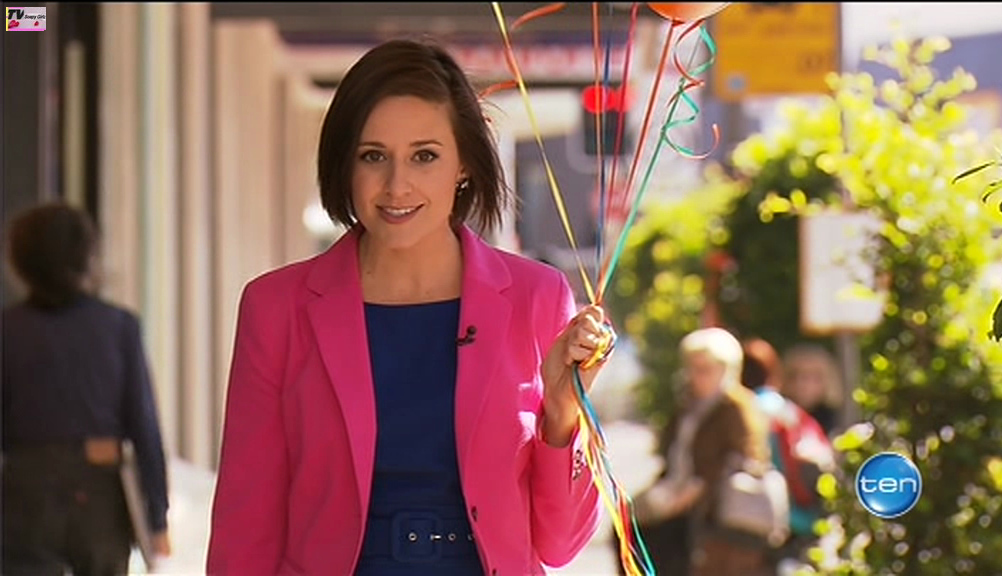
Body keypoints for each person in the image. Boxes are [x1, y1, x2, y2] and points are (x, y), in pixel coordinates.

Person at [206, 39, 608, 576]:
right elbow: (245, 524)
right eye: (373, 156)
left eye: (425, 156)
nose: (397, 186)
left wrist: (562, 414)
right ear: (344, 164)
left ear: (464, 163)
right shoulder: (276, 308)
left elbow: (560, 544)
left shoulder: (536, 297)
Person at [2, 203, 171, 575]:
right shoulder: (119, 326)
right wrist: (157, 517)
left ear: (19, 261)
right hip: (99, 493)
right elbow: (144, 426)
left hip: (23, 492)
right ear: (87, 258)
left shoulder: (8, 330)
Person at [623, 328, 774, 576]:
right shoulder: (688, 405)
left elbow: (745, 457)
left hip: (711, 506)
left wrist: (696, 490)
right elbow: (672, 452)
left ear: (725, 370)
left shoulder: (736, 407)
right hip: (676, 490)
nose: (696, 376)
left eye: (705, 369)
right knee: (627, 527)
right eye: (693, 368)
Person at [741, 338, 835, 568]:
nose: (805, 384)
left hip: (810, 515)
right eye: (797, 376)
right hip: (784, 515)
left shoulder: (834, 419)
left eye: (814, 377)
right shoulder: (781, 412)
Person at [781, 344, 844, 436]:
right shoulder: (778, 415)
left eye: (811, 377)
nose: (801, 384)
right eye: (794, 376)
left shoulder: (836, 421)